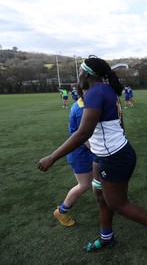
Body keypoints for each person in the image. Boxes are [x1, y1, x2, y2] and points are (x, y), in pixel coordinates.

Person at [37, 55, 147, 251]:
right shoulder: (105, 90)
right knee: (100, 197)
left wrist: (52, 157)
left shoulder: (95, 93)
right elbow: (119, 124)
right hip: (103, 156)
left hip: (114, 158)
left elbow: (83, 133)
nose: (78, 76)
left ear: (88, 74)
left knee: (118, 204)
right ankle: (106, 237)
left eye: (80, 72)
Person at [54, 86, 94, 227]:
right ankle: (62, 211)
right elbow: (83, 137)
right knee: (84, 184)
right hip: (80, 152)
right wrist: (97, 152)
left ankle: (106, 202)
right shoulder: (82, 109)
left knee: (98, 179)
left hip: (85, 151)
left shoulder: (81, 104)